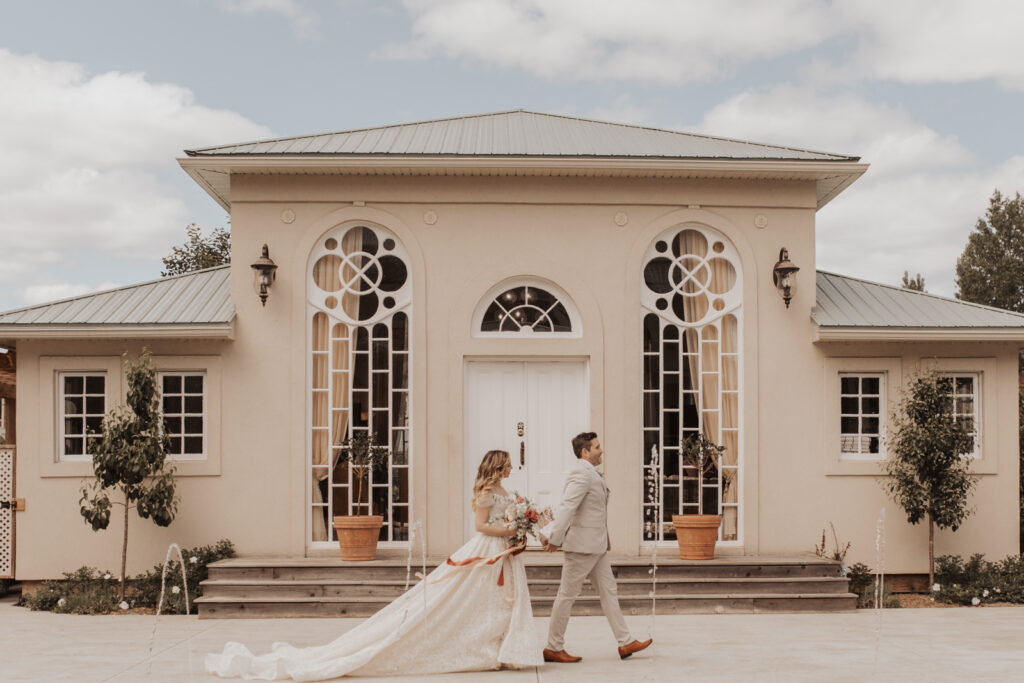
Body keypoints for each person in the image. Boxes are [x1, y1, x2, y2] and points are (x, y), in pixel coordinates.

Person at [206, 449, 542, 680]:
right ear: (498, 465)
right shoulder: (485, 493)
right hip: (489, 547)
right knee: (472, 598)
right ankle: (490, 648)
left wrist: (519, 528)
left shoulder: (502, 488)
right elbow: (481, 527)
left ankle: (503, 647)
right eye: (508, 463)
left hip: (505, 550)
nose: (512, 467)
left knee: (497, 602)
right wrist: (510, 529)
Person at [539, 431, 652, 663]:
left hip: (596, 546)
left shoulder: (590, 473)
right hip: (582, 547)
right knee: (567, 596)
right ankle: (553, 646)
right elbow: (568, 507)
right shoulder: (581, 474)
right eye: (597, 447)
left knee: (609, 593)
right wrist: (554, 538)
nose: (602, 451)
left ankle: (625, 641)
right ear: (585, 452)